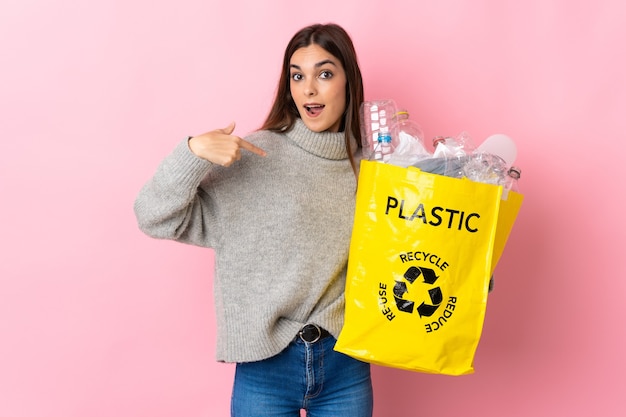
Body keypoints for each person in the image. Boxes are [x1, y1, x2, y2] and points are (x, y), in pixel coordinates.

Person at [134, 23, 373, 416]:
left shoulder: (374, 170)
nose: (308, 89)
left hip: (345, 363)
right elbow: (154, 217)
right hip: (265, 366)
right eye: (297, 76)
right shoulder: (257, 155)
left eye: (325, 74)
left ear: (349, 82)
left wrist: (466, 272)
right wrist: (191, 153)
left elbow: (407, 254)